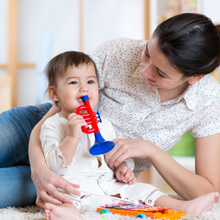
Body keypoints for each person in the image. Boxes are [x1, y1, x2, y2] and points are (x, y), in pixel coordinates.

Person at [0, 12, 219, 209]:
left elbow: (209, 191)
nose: (144, 71)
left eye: (160, 73)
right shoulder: (118, 52)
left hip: (86, 175)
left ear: (195, 78)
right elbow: (48, 122)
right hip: (41, 127)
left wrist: (153, 151)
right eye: (147, 53)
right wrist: (39, 172)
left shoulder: (208, 101)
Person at [40, 51, 218, 220]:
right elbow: (55, 166)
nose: (84, 89)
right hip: (74, 185)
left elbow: (110, 154)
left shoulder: (103, 123)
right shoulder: (52, 125)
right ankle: (67, 214)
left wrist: (121, 168)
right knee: (62, 198)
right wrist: (72, 137)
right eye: (73, 83)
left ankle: (184, 207)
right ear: (54, 93)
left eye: (90, 82)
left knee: (143, 190)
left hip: (107, 184)